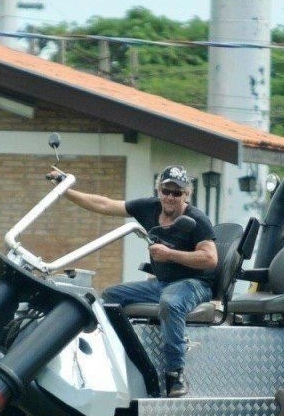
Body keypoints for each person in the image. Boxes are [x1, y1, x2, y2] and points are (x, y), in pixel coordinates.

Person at [46, 165, 217, 397]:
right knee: (110, 296)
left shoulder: (197, 219)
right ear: (158, 190)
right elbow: (104, 204)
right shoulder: (148, 207)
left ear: (187, 195)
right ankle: (118, 358)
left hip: (194, 284)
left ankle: (175, 374)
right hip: (162, 284)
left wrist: (170, 255)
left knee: (170, 303)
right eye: (166, 191)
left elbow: (210, 259)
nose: (170, 197)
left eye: (177, 193)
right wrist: (66, 189)